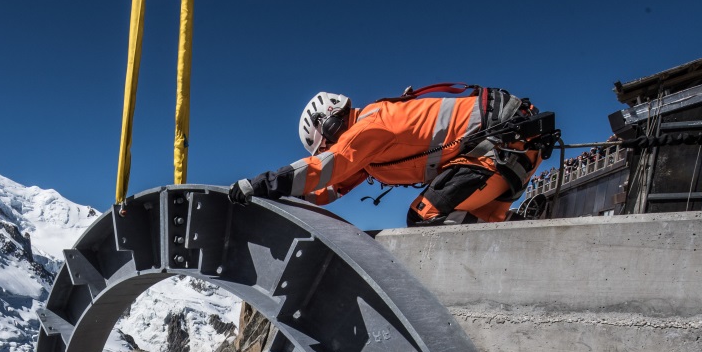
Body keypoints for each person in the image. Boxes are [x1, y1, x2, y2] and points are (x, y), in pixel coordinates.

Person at [228, 86, 556, 226]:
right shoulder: (369, 146)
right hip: (511, 155)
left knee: (424, 216)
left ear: (329, 125)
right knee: (474, 219)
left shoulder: (370, 126)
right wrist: (288, 201)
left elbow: (326, 169)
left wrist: (260, 185)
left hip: (500, 149)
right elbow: (331, 188)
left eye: (326, 144)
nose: (328, 150)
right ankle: (517, 223)